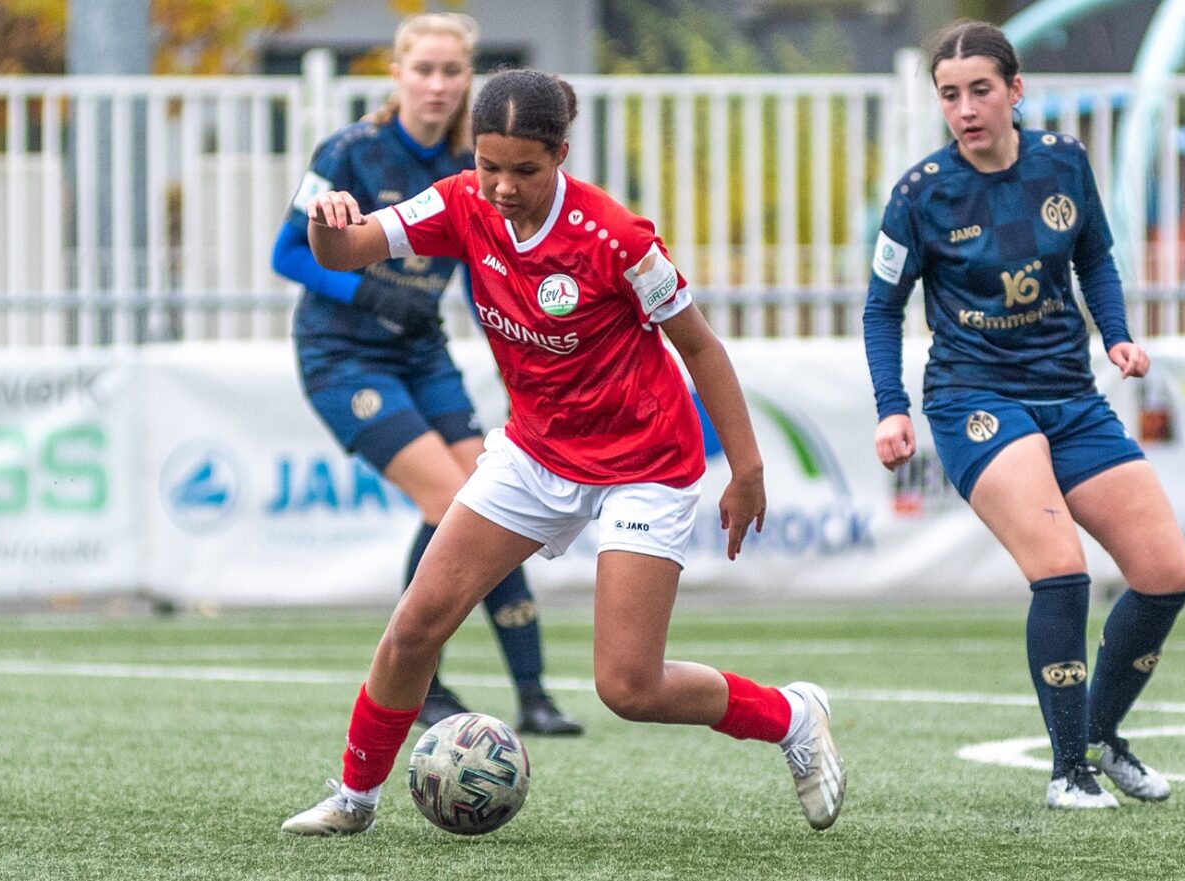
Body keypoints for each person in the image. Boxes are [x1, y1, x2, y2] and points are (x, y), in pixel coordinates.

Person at [280, 68, 846, 837]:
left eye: (525, 170)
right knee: (417, 622)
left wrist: (747, 469)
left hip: (644, 466)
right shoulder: (458, 201)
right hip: (533, 454)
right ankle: (354, 797)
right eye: (489, 165)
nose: (503, 187)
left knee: (627, 685)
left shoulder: (617, 237)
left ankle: (791, 714)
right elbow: (344, 252)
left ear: (562, 156)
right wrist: (326, 219)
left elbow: (702, 349)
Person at [864, 21, 1185, 810]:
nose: (966, 108)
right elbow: (882, 308)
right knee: (1060, 568)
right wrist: (891, 408)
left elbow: (1094, 259)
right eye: (950, 95)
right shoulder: (920, 194)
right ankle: (1066, 772)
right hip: (974, 396)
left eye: (981, 90)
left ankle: (1099, 735)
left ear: (1015, 91)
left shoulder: (1064, 160)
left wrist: (1117, 337)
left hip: (1071, 395)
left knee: (1166, 574)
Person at [272, 14, 581, 735]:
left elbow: (485, 273)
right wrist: (363, 288)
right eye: (424, 70)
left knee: (497, 505)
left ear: (468, 80)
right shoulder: (351, 150)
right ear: (398, 75)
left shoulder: (478, 161)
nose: (437, 85)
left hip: (422, 350)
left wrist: (524, 360)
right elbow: (288, 253)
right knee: (452, 500)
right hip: (341, 355)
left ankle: (533, 693)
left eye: (451, 72)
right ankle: (424, 681)